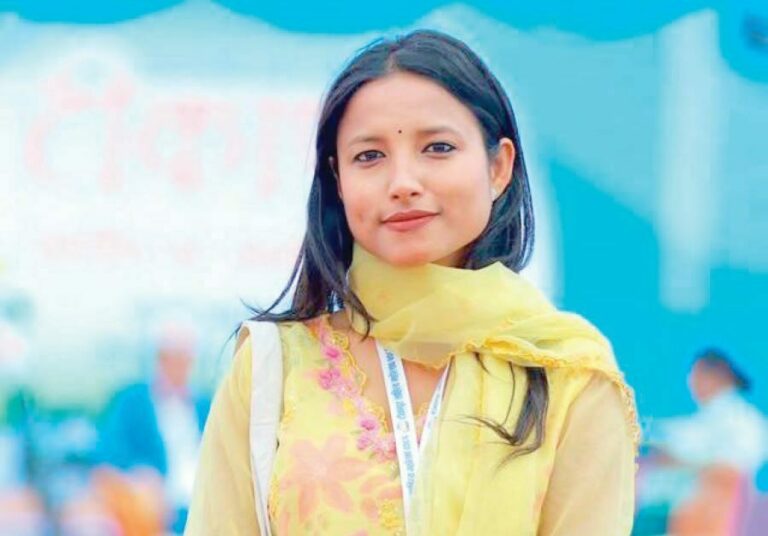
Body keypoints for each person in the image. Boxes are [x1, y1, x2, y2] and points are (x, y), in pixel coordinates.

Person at [186, 29, 638, 535]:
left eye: (438, 147)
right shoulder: (274, 367)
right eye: (369, 156)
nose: (403, 182)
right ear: (338, 180)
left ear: (498, 167)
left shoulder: (568, 376)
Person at [637, 348, 768, 535]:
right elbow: (669, 437)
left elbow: (731, 470)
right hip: (671, 514)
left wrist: (680, 460)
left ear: (719, 375)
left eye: (697, 374)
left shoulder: (742, 420)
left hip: (704, 517)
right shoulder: (708, 418)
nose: (692, 381)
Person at [98, 318, 210, 534]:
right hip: (152, 504)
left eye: (185, 359)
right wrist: (139, 474)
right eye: (173, 358)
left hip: (202, 500)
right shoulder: (131, 401)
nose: (179, 366)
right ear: (160, 359)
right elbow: (109, 454)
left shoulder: (204, 405)